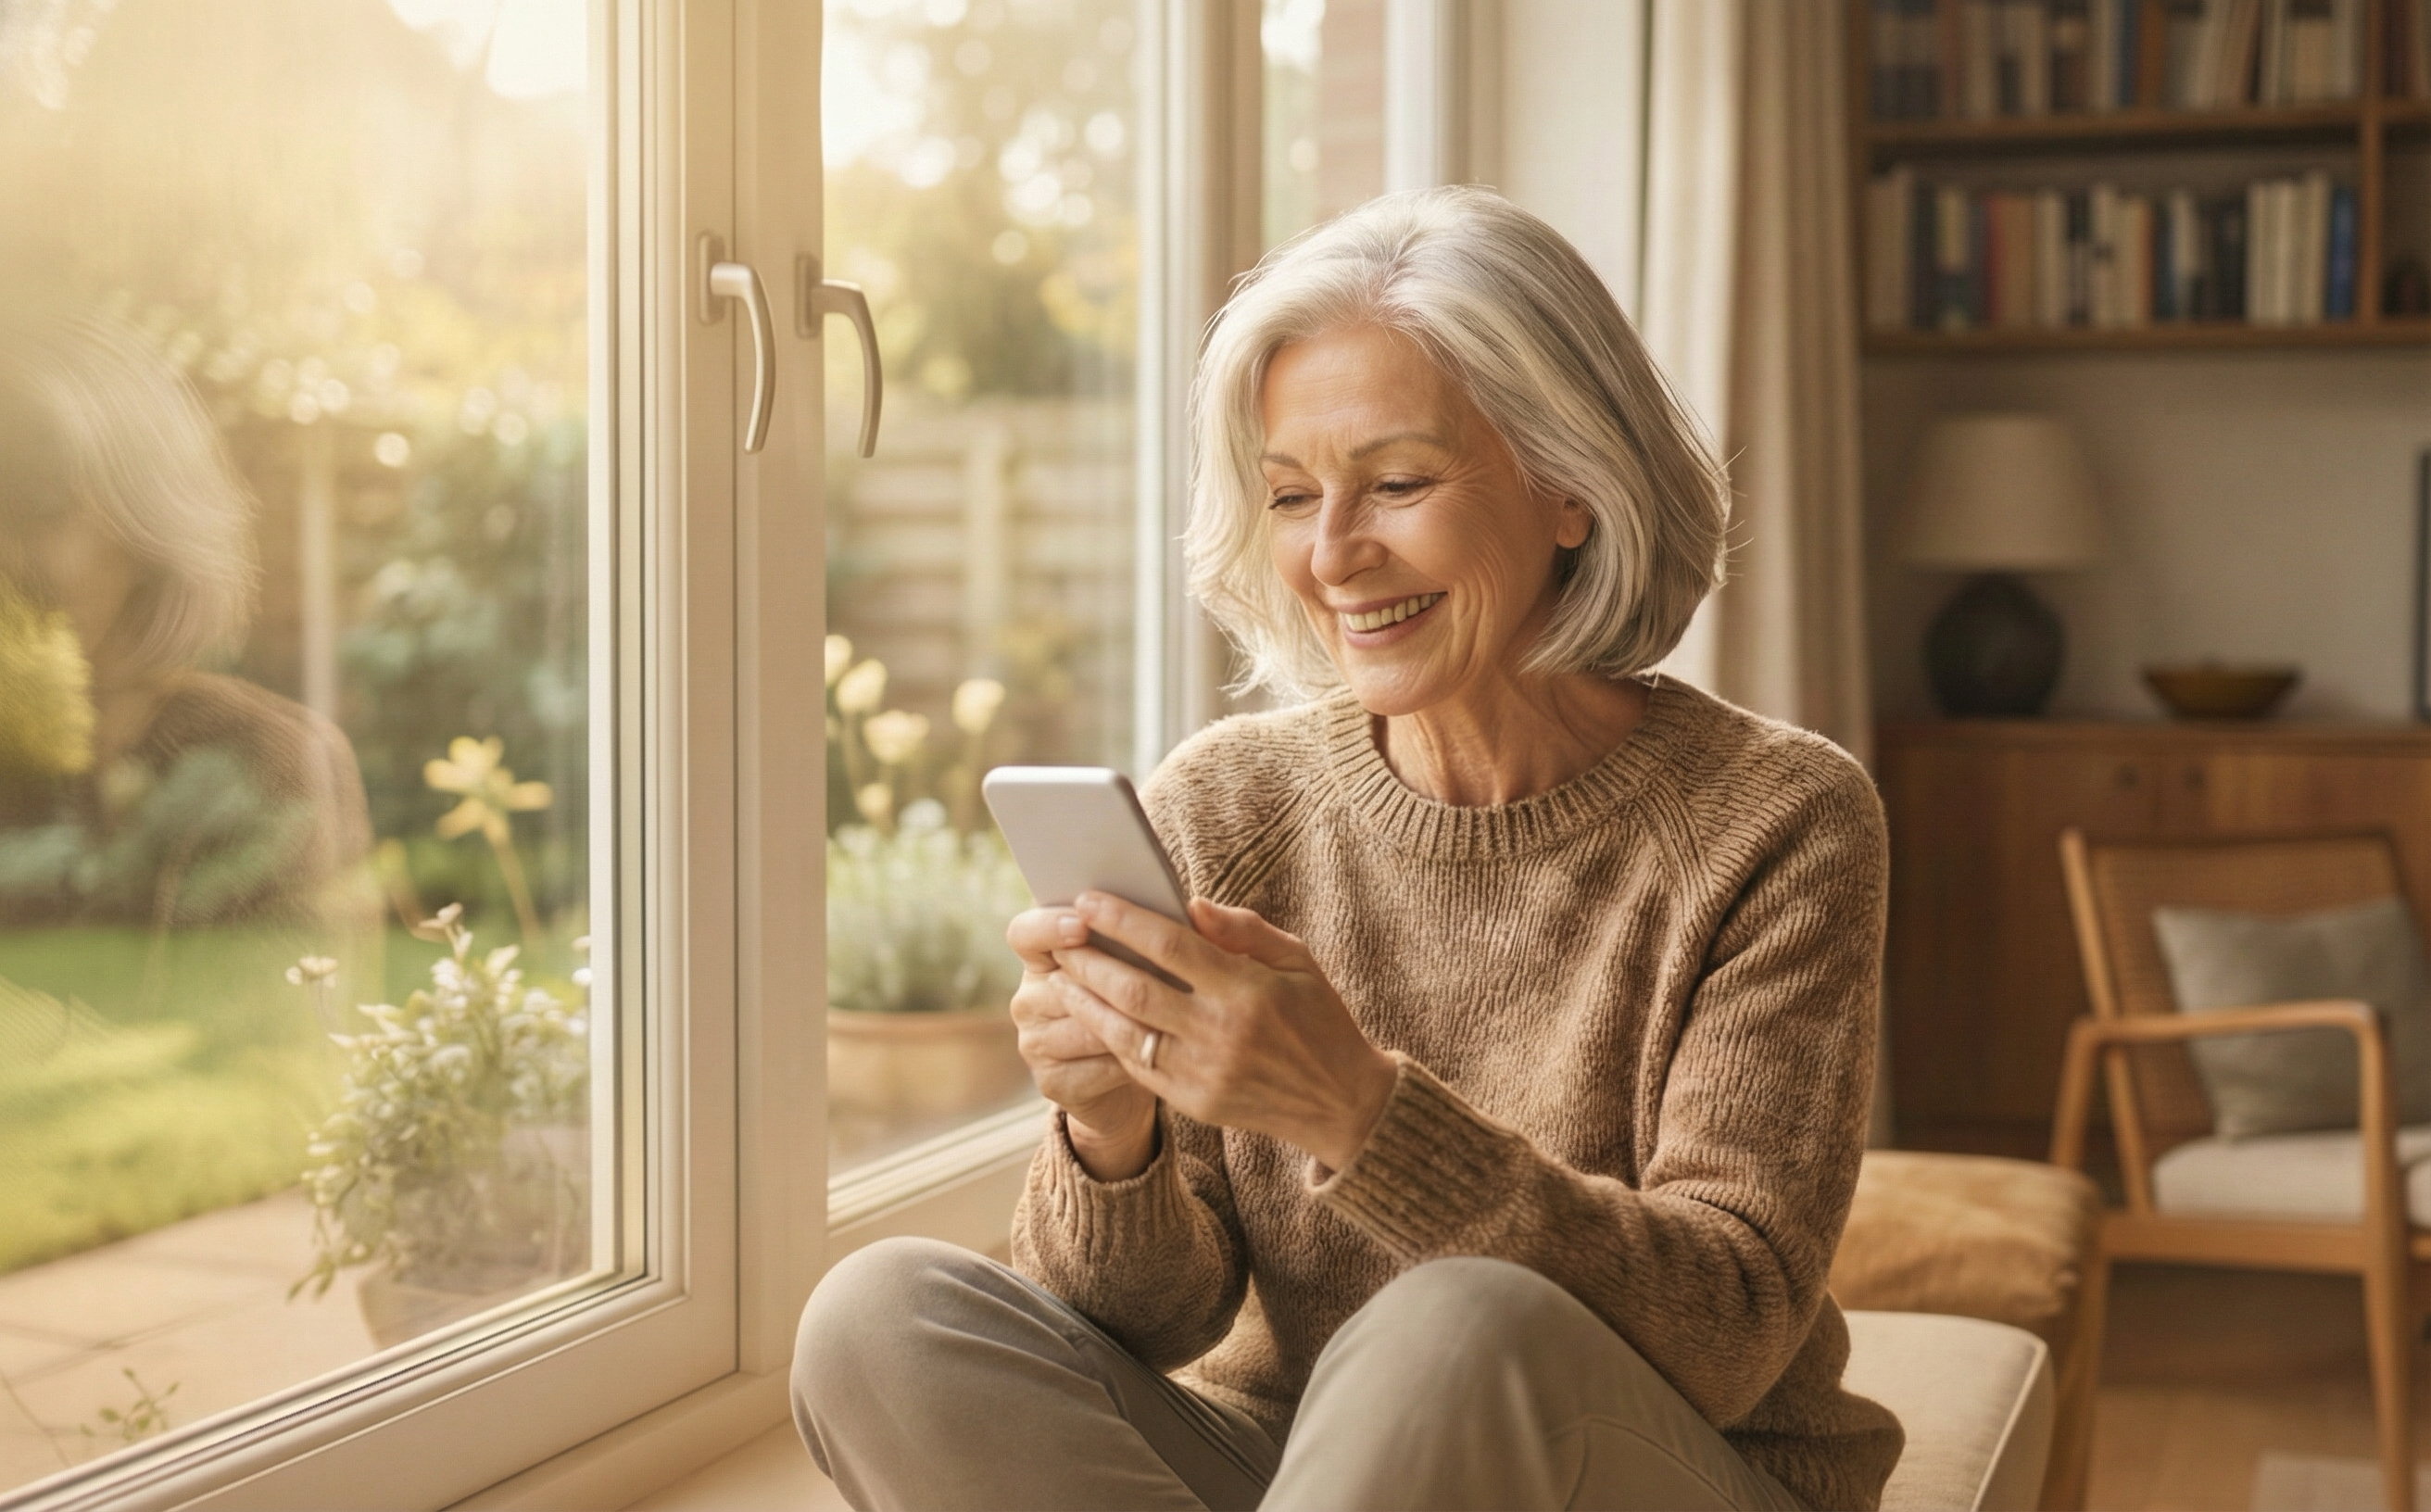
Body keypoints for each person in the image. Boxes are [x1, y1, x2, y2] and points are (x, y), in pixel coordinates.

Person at [793, 185, 1903, 1512]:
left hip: (1652, 1472)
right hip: (1303, 1471)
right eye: (1290, 495)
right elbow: (1143, 1325)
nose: (1332, 557)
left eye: (1397, 483)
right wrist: (1111, 1128)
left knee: (1455, 1330)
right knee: (879, 1320)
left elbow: (1725, 1335)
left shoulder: (1778, 821)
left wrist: (1351, 1108)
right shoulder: (1227, 805)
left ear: (1571, 487)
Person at [0, 309, 373, 930]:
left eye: (36, 508)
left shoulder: (274, 763)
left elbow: (302, 1013)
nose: (7, 557)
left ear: (144, 527)